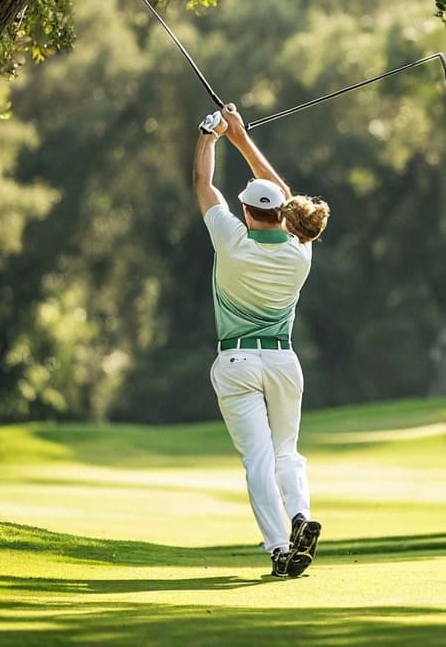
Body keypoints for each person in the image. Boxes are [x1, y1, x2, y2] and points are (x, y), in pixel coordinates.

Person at [193, 103, 329, 578]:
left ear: (247, 211)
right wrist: (241, 138)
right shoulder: (299, 254)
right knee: (287, 451)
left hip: (236, 365)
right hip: (283, 363)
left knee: (258, 459)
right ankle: (299, 517)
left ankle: (278, 548)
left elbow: (203, 186)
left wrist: (210, 136)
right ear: (282, 216)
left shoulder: (232, 240)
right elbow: (286, 195)